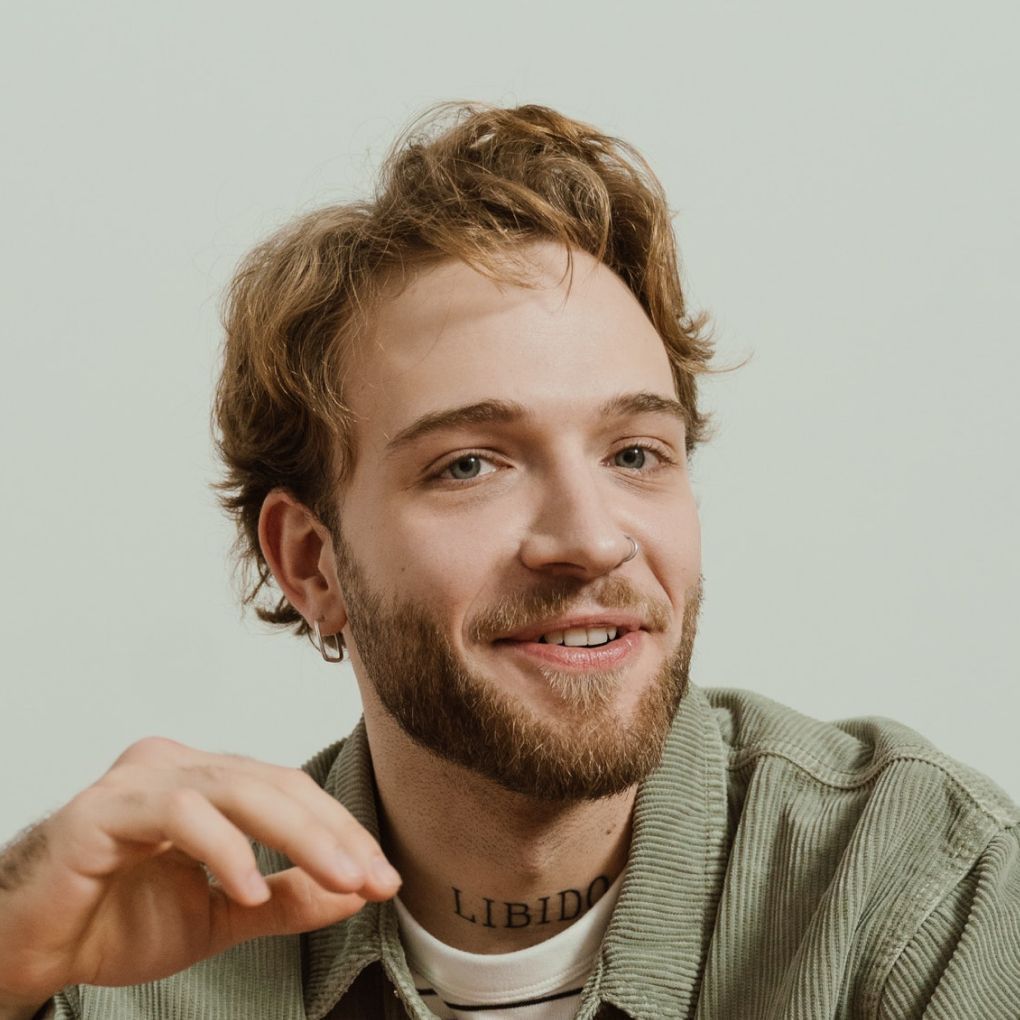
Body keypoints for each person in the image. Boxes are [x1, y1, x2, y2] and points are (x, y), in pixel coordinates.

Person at [0, 103, 1017, 1020]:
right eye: (470, 465)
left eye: (635, 454)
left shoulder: (921, 884)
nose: (592, 537)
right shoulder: (128, 969)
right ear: (311, 564)